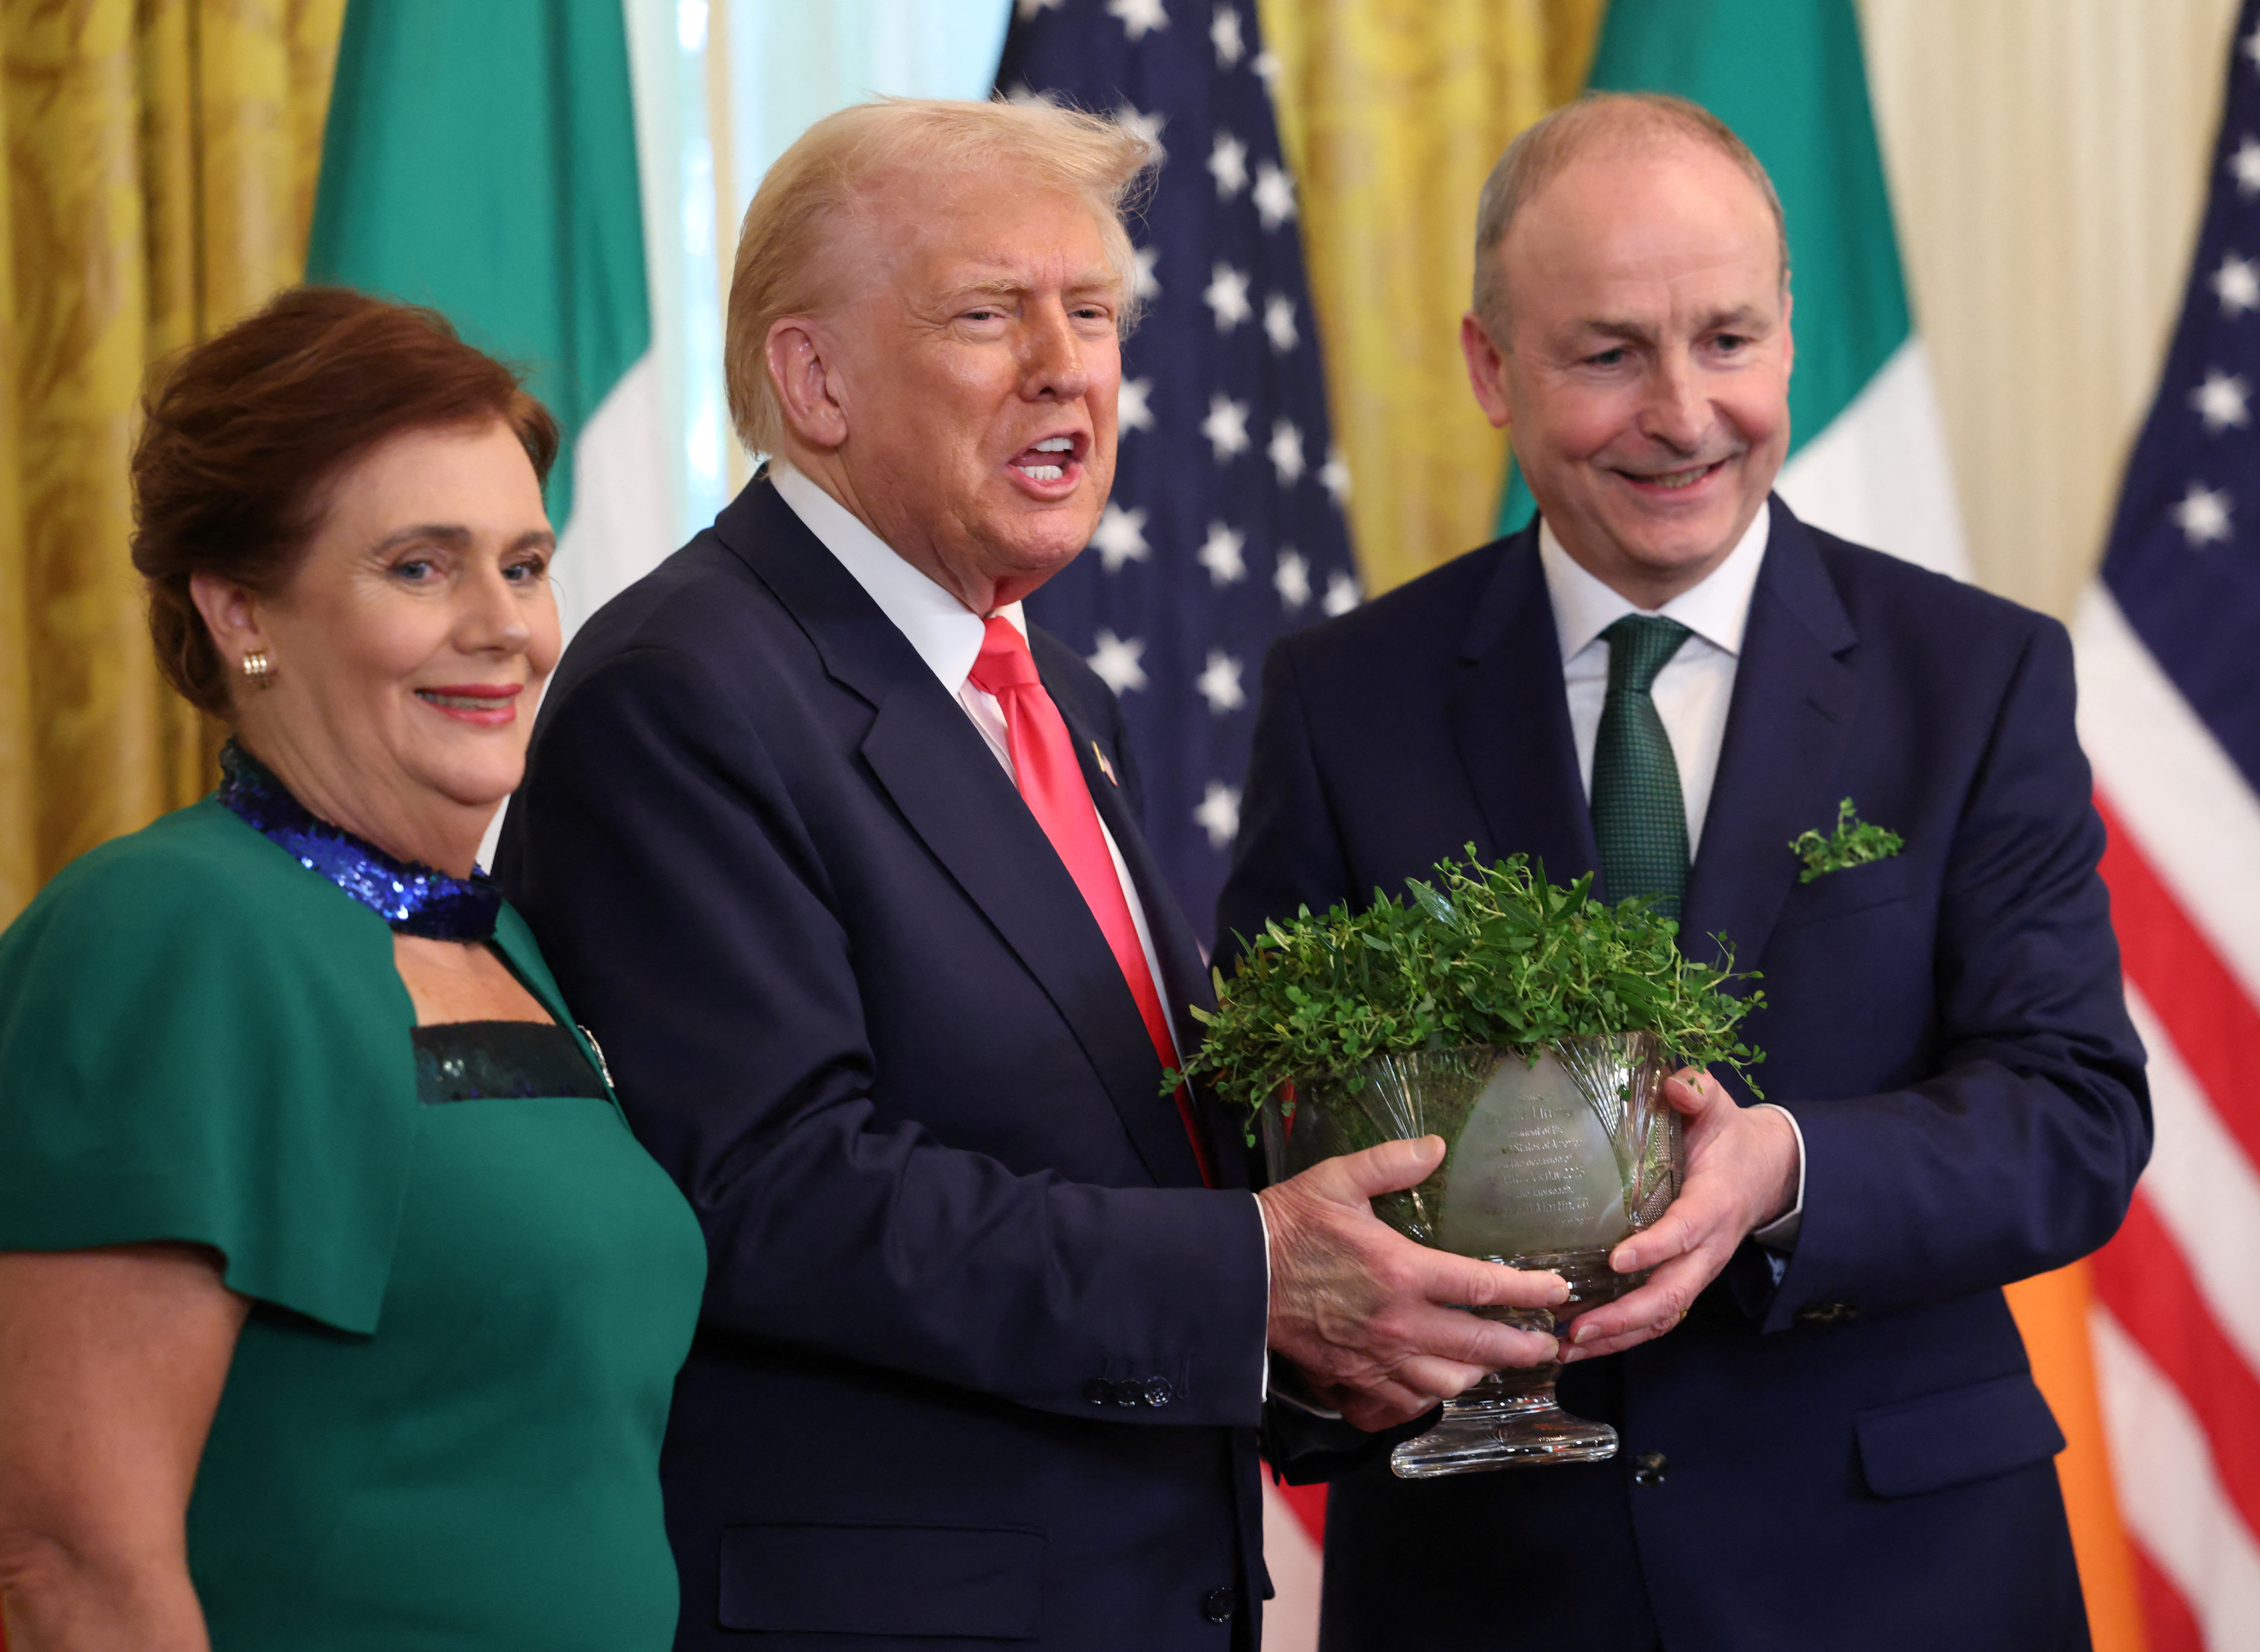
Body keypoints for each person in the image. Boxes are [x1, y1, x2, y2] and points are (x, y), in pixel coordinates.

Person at [495, 96, 1569, 1652]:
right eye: (990, 315)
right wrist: (1254, 1274)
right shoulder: (685, 684)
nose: (1068, 367)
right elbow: (775, 1191)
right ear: (815, 379)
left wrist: (1341, 1319)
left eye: (1094, 315)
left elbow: (1133, 1153)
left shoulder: (1055, 687)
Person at [1216, 93, 2151, 1651]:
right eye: (1607, 353)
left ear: (1791, 335)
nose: (1681, 411)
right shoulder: (1342, 701)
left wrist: (1784, 1170)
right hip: (1487, 1584)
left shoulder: (1975, 676)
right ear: (1489, 367)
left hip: (1900, 1582)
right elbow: (1270, 1124)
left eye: (1726, 340)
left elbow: (2074, 1113)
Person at [0, 289, 707, 1652]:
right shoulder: (170, 932)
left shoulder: (498, 945)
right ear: (241, 608)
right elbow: (65, 1556)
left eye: (524, 562)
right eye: (422, 567)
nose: (504, 626)